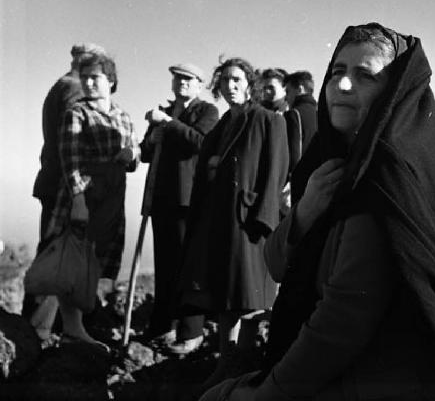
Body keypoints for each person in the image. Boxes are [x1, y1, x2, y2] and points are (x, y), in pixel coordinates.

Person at [199, 23, 435, 401]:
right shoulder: (329, 167)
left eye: (364, 76)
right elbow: (277, 267)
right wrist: (305, 213)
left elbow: (340, 323)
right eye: (337, 72)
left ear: (394, 93)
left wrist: (264, 396)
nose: (341, 86)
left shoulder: (386, 180)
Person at [178, 57, 289, 389]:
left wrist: (264, 221)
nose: (231, 86)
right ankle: (228, 362)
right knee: (226, 295)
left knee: (251, 296)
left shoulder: (269, 120)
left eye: (237, 79)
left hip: (250, 221)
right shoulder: (222, 125)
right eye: (225, 80)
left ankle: (247, 364)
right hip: (219, 219)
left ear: (249, 83)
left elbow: (275, 172)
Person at [47, 51, 140, 350]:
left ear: (110, 81)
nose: (88, 83)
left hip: (113, 195)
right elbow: (70, 159)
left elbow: (134, 152)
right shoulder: (76, 113)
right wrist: (78, 201)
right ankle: (73, 329)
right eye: (84, 77)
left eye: (95, 78)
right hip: (85, 193)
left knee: (98, 260)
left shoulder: (122, 116)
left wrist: (132, 156)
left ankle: (78, 326)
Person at [25, 42, 105, 340]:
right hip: (67, 188)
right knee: (57, 256)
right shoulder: (73, 90)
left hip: (54, 181)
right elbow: (73, 144)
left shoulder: (60, 85)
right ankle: (38, 331)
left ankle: (43, 327)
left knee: (53, 251)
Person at [140, 62, 219, 352]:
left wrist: (167, 124)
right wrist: (152, 136)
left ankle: (190, 332)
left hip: (189, 201)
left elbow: (199, 141)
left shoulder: (207, 111)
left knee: (189, 266)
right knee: (165, 265)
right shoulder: (166, 111)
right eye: (178, 78)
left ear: (199, 84)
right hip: (161, 201)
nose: (182, 83)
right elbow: (148, 152)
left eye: (189, 79)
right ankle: (162, 327)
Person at [283, 70, 317, 176]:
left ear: (300, 89)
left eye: (288, 92)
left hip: (302, 178)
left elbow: (294, 153)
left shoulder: (294, 114)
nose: (285, 98)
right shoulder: (323, 114)